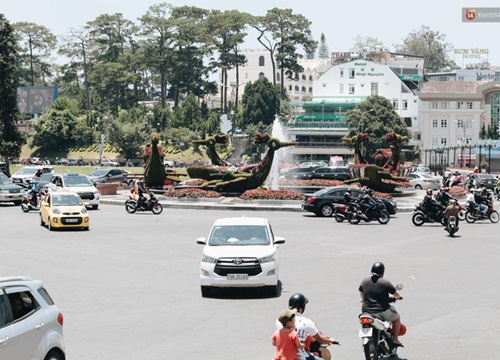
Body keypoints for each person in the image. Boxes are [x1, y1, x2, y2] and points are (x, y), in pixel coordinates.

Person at [359, 262, 403, 347]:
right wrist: (399, 297)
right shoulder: (385, 282)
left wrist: (364, 300)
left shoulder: (365, 281)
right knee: (397, 318)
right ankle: (395, 340)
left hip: (366, 312)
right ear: (382, 272)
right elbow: (396, 294)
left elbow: (361, 293)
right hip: (382, 311)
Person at [287, 293, 336, 360]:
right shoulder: (306, 322)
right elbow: (321, 339)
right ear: (301, 309)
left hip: (285, 355)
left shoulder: (281, 323)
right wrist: (330, 340)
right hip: (300, 356)